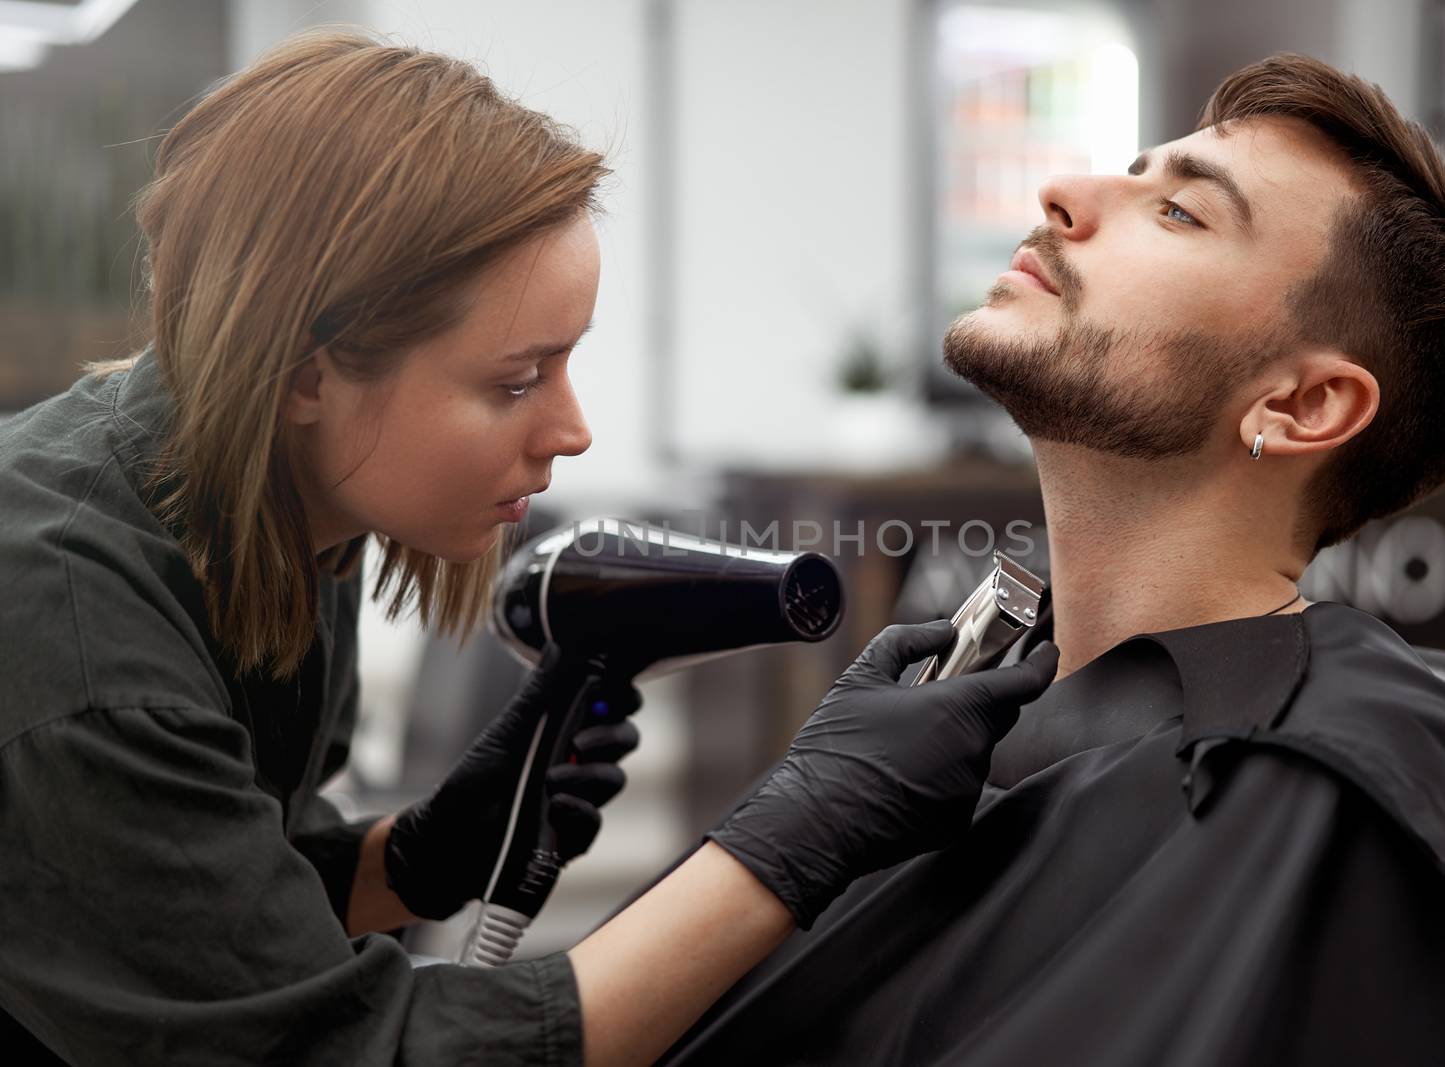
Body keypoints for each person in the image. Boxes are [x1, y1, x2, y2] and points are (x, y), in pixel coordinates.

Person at [0, 30, 1059, 1067]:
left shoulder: (282, 513)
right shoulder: (80, 637)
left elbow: (197, 922)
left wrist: (413, 856)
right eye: (512, 381)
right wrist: (792, 837)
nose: (571, 429)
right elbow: (349, 1048)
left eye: (565, 364)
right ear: (306, 373)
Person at [656, 55, 1445, 1065]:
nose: (1061, 193)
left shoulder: (1345, 814)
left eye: (1180, 214)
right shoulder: (942, 732)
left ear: (1300, 405)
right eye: (1132, 172)